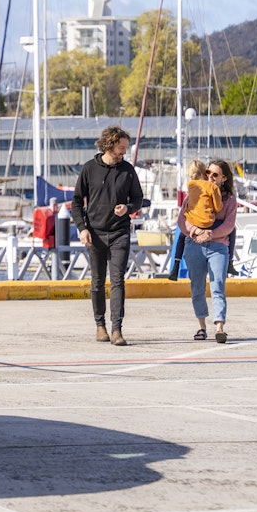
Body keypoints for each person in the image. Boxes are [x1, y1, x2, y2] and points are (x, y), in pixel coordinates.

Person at [73, 125, 144, 346]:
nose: (124, 151)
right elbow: (76, 202)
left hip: (119, 232)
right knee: (96, 282)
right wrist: (82, 228)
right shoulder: (89, 169)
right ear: (110, 144)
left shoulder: (128, 170)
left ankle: (117, 329)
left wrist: (128, 207)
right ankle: (100, 325)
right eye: (121, 147)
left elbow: (139, 198)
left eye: (126, 147)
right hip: (94, 233)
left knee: (117, 281)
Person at [176, 158, 237, 344]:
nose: (210, 177)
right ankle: (201, 327)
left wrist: (210, 234)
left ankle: (219, 327)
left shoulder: (230, 200)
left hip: (218, 246)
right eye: (208, 173)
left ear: (223, 178)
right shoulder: (194, 193)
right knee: (197, 288)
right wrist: (196, 231)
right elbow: (181, 221)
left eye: (215, 174)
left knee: (218, 286)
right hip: (194, 244)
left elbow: (229, 226)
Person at [167, 160, 212, 281]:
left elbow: (186, 210)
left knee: (181, 237)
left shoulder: (192, 189)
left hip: (193, 224)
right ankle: (230, 262)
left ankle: (176, 265)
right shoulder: (209, 187)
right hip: (205, 222)